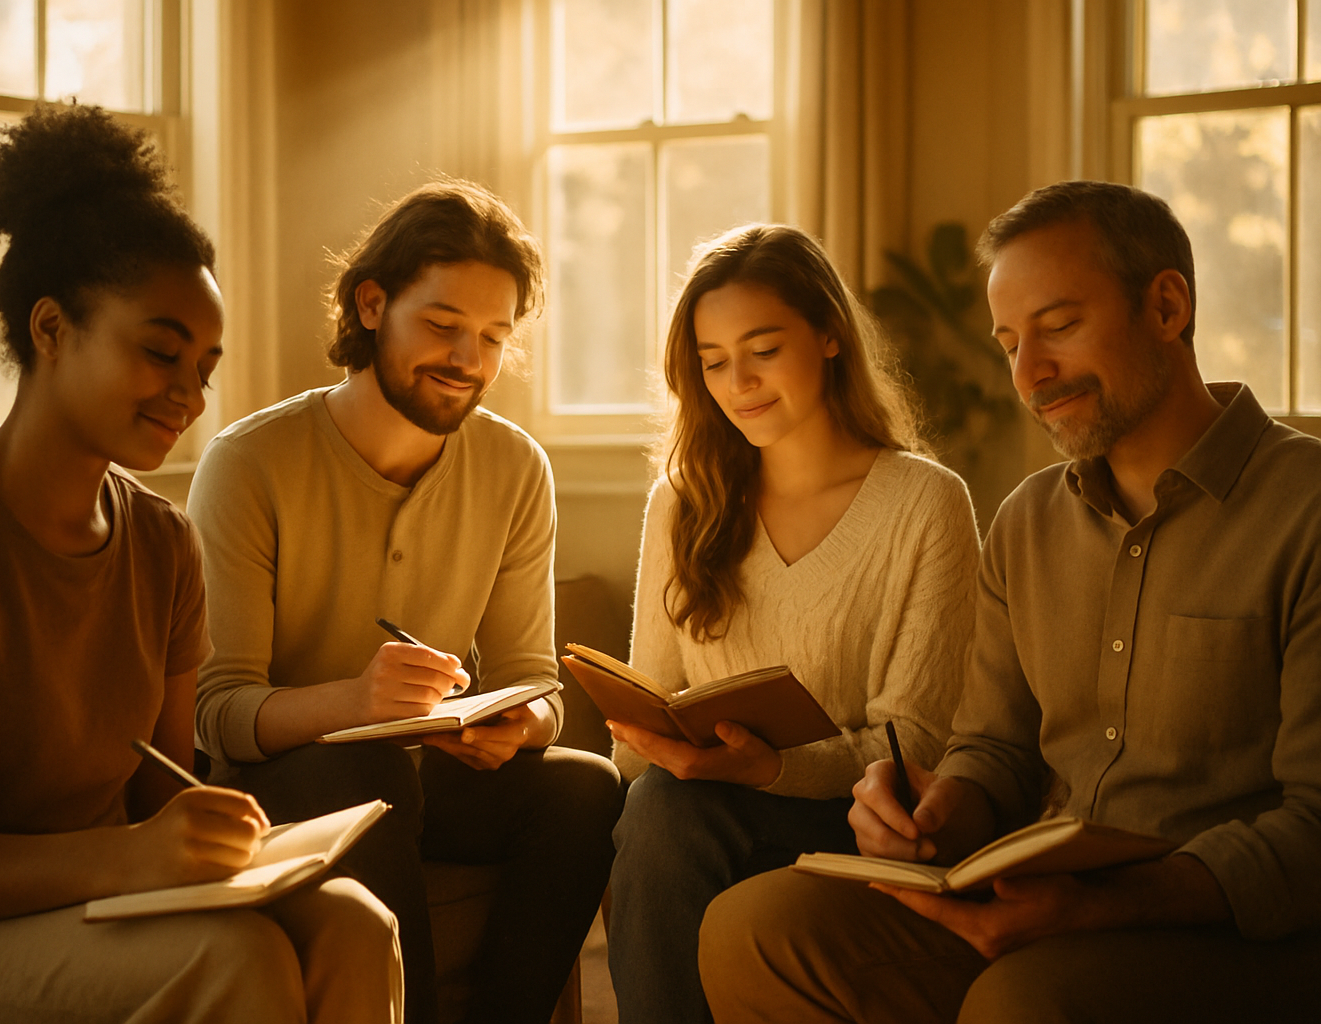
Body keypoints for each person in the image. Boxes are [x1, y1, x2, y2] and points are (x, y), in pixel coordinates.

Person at [0, 104, 402, 1024]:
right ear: (50, 330)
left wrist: (231, 838)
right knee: (234, 960)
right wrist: (128, 857)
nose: (190, 396)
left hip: (86, 901)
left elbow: (164, 789)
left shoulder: (162, 542)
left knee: (355, 921)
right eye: (161, 352)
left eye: (204, 367)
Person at [697, 181, 1321, 1023]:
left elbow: (1315, 825)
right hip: (1046, 908)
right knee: (753, 927)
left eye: (1059, 327)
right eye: (1009, 342)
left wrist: (1104, 904)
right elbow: (993, 748)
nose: (1031, 374)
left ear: (1167, 305)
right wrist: (936, 810)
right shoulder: (1027, 521)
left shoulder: (1305, 508)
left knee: (1020, 1004)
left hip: (1234, 935)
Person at [187, 179, 624, 1024]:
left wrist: (516, 726)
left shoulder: (516, 470)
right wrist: (353, 703)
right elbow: (217, 714)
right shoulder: (249, 465)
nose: (469, 359)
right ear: (372, 302)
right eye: (443, 326)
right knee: (370, 765)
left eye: (493, 337)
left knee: (587, 789)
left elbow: (536, 681)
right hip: (288, 788)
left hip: (434, 776)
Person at [603, 224, 980, 1024]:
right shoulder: (681, 503)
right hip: (693, 816)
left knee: (669, 818)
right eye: (712, 362)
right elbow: (642, 720)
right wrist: (657, 744)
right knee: (658, 809)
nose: (737, 382)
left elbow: (921, 744)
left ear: (830, 335)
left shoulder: (925, 503)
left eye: (762, 349)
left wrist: (768, 768)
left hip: (850, 821)